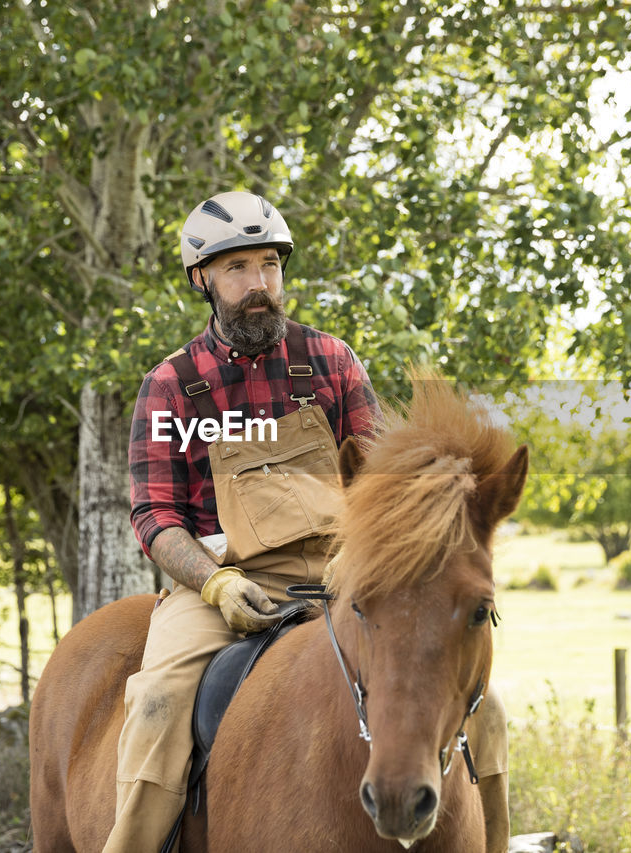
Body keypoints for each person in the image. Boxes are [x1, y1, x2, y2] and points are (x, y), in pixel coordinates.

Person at [110, 190, 510, 852]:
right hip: (220, 585)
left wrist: (362, 559)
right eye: (237, 268)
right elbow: (154, 514)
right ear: (202, 279)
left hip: (341, 574)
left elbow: (386, 487)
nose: (259, 283)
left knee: (484, 706)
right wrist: (214, 583)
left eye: (269, 263)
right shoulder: (171, 384)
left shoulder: (333, 362)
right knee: (158, 706)